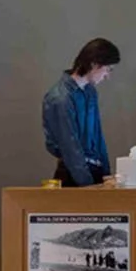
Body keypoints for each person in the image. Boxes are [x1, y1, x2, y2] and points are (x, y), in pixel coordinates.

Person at [42, 38, 120, 186]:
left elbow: (98, 137)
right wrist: (89, 187)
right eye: (107, 69)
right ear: (94, 65)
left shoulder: (90, 92)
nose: (107, 76)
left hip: (93, 171)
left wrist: (106, 175)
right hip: (74, 176)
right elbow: (70, 148)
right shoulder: (60, 98)